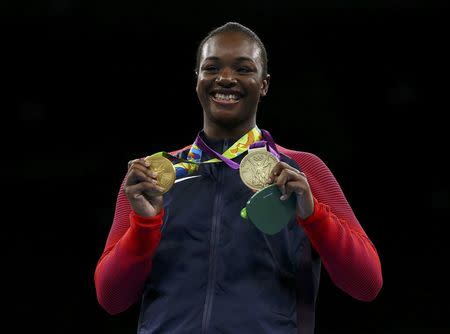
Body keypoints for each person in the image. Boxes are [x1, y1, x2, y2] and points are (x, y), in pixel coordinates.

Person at [94, 22, 383, 334]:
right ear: (197, 80)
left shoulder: (301, 170)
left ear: (264, 84)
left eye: (243, 69)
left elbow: (366, 284)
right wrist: (144, 226)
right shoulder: (153, 177)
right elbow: (112, 298)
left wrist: (313, 217)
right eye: (212, 67)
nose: (226, 78)